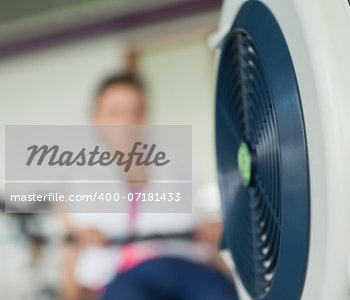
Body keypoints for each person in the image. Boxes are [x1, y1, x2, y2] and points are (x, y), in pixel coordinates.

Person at [60, 73, 237, 300]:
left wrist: (214, 235)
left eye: (137, 111)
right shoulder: (78, 179)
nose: (128, 121)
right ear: (96, 117)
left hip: (187, 267)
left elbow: (202, 230)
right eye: (116, 112)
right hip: (123, 276)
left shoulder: (177, 165)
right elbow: (70, 251)